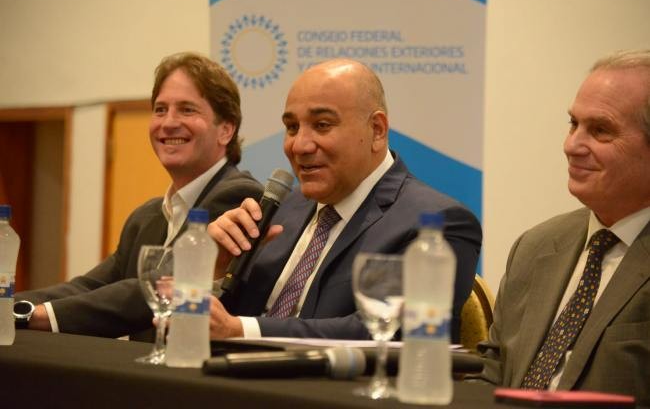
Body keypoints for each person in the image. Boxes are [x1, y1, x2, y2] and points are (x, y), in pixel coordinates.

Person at [207, 58, 482, 341]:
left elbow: (390, 333)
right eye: (292, 127)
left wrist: (243, 330)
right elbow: (229, 317)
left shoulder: (439, 225)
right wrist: (216, 270)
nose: (299, 145)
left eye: (322, 125)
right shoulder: (282, 210)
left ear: (377, 130)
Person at [14, 52, 263, 340]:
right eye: (160, 109)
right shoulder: (146, 216)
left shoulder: (239, 197)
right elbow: (90, 286)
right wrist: (12, 304)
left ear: (226, 130)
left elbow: (162, 287)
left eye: (187, 110)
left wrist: (30, 316)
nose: (168, 122)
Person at [480, 49, 650, 404]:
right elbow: (492, 374)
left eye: (600, 131)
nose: (571, 145)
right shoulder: (536, 246)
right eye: (574, 124)